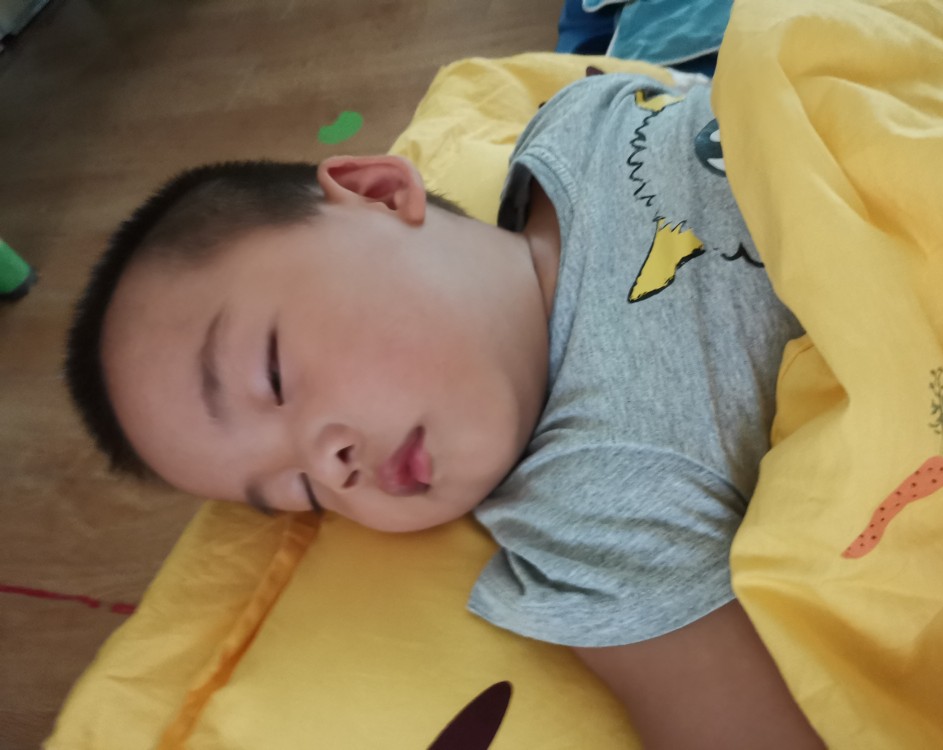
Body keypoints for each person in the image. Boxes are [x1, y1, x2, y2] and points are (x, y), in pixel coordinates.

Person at [65, 70, 824, 748]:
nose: (332, 466)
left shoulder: (574, 121)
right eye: (299, 490)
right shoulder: (598, 512)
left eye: (272, 376)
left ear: (378, 194)